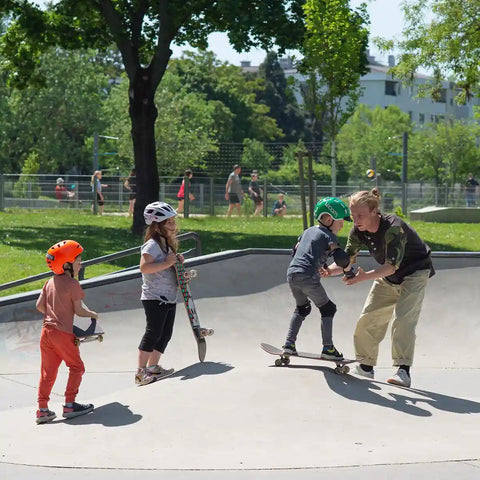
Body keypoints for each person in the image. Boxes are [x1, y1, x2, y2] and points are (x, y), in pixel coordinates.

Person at [327, 188, 435, 388]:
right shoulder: (358, 231)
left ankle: (403, 370)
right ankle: (366, 367)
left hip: (415, 272)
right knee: (369, 318)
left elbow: (391, 265)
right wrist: (326, 271)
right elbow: (347, 259)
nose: (356, 220)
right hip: (388, 276)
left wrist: (364, 277)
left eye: (360, 215)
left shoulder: (393, 227)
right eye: (352, 215)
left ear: (374, 211)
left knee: (403, 319)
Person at [282, 197, 354, 360]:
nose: (342, 225)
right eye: (341, 221)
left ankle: (289, 345)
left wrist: (322, 265)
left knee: (303, 308)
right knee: (328, 308)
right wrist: (349, 272)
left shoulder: (307, 231)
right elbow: (341, 258)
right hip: (308, 276)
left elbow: (296, 252)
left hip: (292, 273)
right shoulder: (329, 235)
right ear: (328, 219)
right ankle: (328, 349)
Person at [35, 240, 97, 424]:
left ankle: (42, 409)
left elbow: (39, 306)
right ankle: (70, 404)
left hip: (46, 332)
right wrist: (93, 314)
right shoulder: (73, 284)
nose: (81, 264)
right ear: (67, 264)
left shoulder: (49, 283)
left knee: (47, 372)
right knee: (77, 367)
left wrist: (54, 311)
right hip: (63, 334)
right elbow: (79, 311)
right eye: (78, 261)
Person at [136, 201, 181, 386]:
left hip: (168, 296)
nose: (173, 225)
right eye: (169, 222)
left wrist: (177, 262)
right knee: (152, 333)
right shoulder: (152, 245)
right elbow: (144, 268)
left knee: (165, 334)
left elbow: (168, 264)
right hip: (154, 297)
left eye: (173, 221)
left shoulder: (166, 244)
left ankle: (153, 367)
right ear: (157, 225)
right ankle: (140, 372)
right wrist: (168, 263)